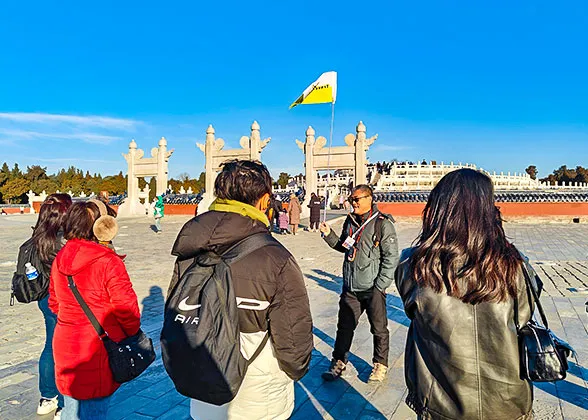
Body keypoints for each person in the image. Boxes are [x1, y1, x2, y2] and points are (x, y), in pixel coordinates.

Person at [169, 160, 313, 420]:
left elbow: (176, 304)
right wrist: (296, 368)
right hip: (257, 387)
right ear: (264, 199)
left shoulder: (190, 246)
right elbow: (293, 338)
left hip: (203, 375)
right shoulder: (275, 258)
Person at [395, 168, 538, 419]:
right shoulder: (516, 266)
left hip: (442, 402)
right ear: (488, 210)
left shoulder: (413, 266)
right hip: (507, 403)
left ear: (439, 208)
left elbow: (411, 310)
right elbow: (524, 318)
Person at [49, 201, 141, 420]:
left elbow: (54, 303)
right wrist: (128, 335)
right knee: (93, 411)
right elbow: (127, 310)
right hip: (96, 347)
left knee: (71, 406)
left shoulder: (60, 258)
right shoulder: (107, 261)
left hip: (65, 342)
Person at [319, 185, 399, 383]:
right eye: (351, 199)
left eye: (357, 199)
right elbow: (345, 247)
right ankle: (338, 361)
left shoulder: (383, 224)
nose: (353, 203)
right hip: (351, 287)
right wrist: (329, 235)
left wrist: (380, 285)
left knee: (379, 328)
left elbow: (391, 258)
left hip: (373, 288)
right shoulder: (350, 221)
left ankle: (380, 364)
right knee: (344, 327)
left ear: (369, 198)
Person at [30, 193, 72, 419]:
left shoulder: (37, 237)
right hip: (62, 298)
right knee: (65, 350)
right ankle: (64, 404)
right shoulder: (65, 240)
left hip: (43, 297)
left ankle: (47, 397)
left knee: (50, 344)